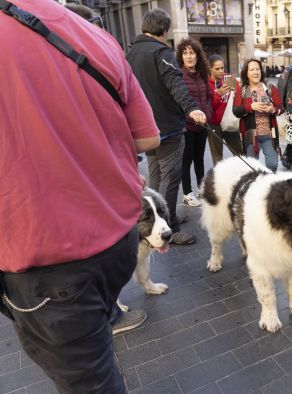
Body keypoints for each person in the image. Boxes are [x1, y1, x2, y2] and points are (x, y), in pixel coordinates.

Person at [0, 0, 161, 392]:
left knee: (90, 381)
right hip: (116, 237)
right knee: (94, 358)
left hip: (46, 261)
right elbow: (147, 137)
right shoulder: (93, 34)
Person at [126, 9, 206, 246]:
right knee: (170, 179)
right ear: (165, 30)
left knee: (156, 176)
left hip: (143, 131)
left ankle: (158, 220)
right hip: (167, 129)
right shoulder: (161, 52)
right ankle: (169, 227)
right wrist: (192, 108)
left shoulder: (131, 53)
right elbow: (176, 84)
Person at [176, 38, 213, 207]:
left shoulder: (202, 75)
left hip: (203, 125)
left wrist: (208, 114)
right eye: (185, 53)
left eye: (192, 53)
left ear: (198, 56)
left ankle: (201, 188)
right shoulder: (178, 75)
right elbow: (177, 101)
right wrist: (189, 118)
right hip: (187, 126)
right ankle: (187, 193)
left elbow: (208, 97)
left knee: (199, 158)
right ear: (181, 56)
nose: (189, 56)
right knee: (187, 160)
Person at [233, 58, 284, 172]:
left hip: (270, 134)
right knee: (252, 168)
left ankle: (269, 186)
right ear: (246, 73)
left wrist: (272, 110)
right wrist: (250, 107)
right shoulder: (242, 90)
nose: (256, 72)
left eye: (258, 69)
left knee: (273, 165)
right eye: (252, 70)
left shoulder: (270, 89)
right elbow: (236, 111)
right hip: (250, 135)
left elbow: (281, 108)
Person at [208, 54, 244, 164]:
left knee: (240, 154)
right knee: (217, 157)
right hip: (214, 124)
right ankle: (220, 179)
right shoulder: (206, 84)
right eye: (217, 68)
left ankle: (243, 176)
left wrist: (236, 91)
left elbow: (238, 101)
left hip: (230, 121)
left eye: (222, 68)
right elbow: (207, 107)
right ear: (210, 68)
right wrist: (217, 94)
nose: (221, 71)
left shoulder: (230, 79)